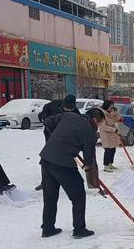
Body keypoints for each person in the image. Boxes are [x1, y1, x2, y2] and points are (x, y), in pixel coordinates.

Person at [40, 95, 104, 239]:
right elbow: (89, 159)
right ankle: (79, 229)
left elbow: (48, 122)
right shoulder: (89, 131)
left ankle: (48, 228)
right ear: (95, 120)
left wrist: (57, 138)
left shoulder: (67, 116)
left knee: (50, 196)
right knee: (78, 196)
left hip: (46, 159)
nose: (98, 127)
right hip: (63, 164)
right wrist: (94, 181)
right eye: (99, 124)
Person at [100, 100, 120, 172]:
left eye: (112, 106)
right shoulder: (102, 113)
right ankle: (106, 165)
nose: (111, 108)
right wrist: (113, 129)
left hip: (112, 133)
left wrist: (116, 111)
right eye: (111, 106)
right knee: (107, 150)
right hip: (105, 134)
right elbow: (102, 126)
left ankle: (110, 164)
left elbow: (117, 119)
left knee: (113, 149)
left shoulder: (111, 112)